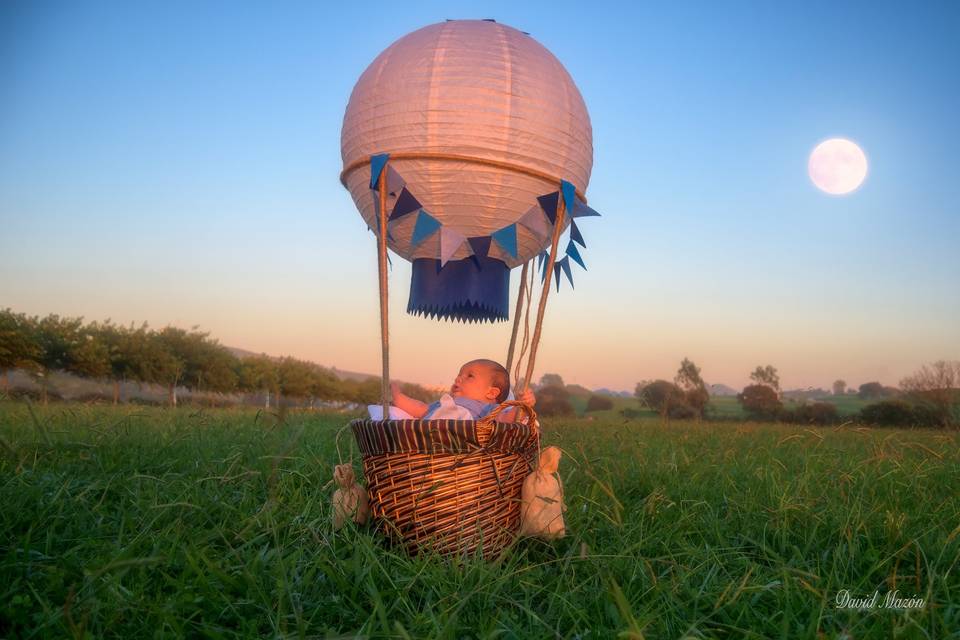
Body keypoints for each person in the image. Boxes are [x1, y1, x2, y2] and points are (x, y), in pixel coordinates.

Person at [390, 359, 536, 422]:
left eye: (469, 376)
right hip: (427, 440)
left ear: (491, 393)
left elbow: (504, 419)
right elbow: (421, 408)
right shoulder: (446, 403)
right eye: (459, 374)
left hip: (459, 445)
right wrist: (398, 397)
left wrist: (522, 406)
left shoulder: (488, 408)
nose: (458, 379)